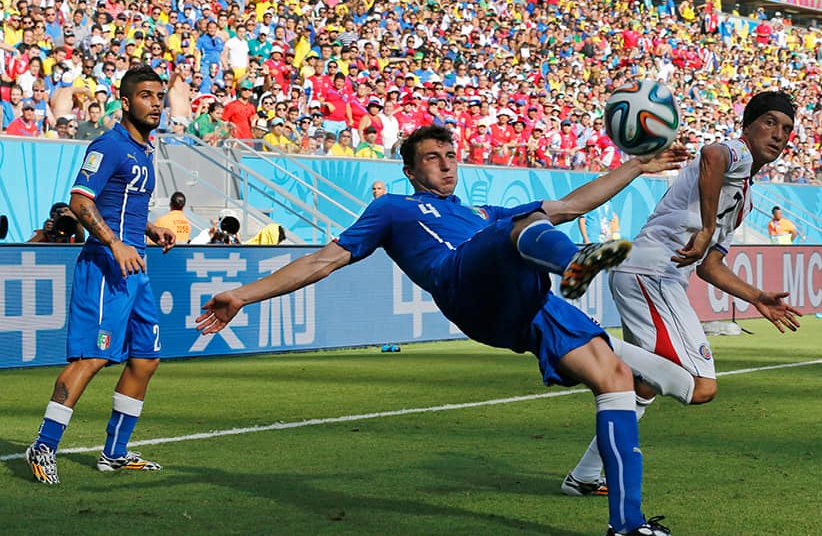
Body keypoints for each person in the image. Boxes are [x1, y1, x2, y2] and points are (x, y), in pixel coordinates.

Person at [196, 124, 688, 536]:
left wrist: (637, 166)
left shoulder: (478, 211)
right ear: (410, 171)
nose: (447, 164)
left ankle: (627, 525)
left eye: (451, 155)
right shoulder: (394, 209)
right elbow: (324, 261)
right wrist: (243, 293)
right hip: (463, 287)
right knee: (521, 225)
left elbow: (571, 206)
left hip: (528, 303)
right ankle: (574, 262)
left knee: (617, 380)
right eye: (432, 158)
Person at [561, 91, 803, 500]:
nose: (778, 134)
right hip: (652, 273)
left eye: (786, 129)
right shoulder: (735, 153)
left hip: (653, 275)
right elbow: (711, 154)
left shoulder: (742, 196)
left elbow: (708, 265)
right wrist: (707, 226)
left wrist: (756, 296)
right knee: (701, 387)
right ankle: (581, 342)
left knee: (645, 386)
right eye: (769, 122)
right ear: (749, 125)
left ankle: (584, 476)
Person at [25, 66, 176, 485]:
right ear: (125, 102)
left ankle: (114, 452)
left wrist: (148, 228)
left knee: (146, 358)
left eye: (160, 96)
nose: (156, 103)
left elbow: (118, 205)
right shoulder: (109, 145)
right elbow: (79, 200)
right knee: (92, 357)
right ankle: (42, 446)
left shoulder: (145, 149)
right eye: (146, 96)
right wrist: (115, 243)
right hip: (107, 267)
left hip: (135, 267)